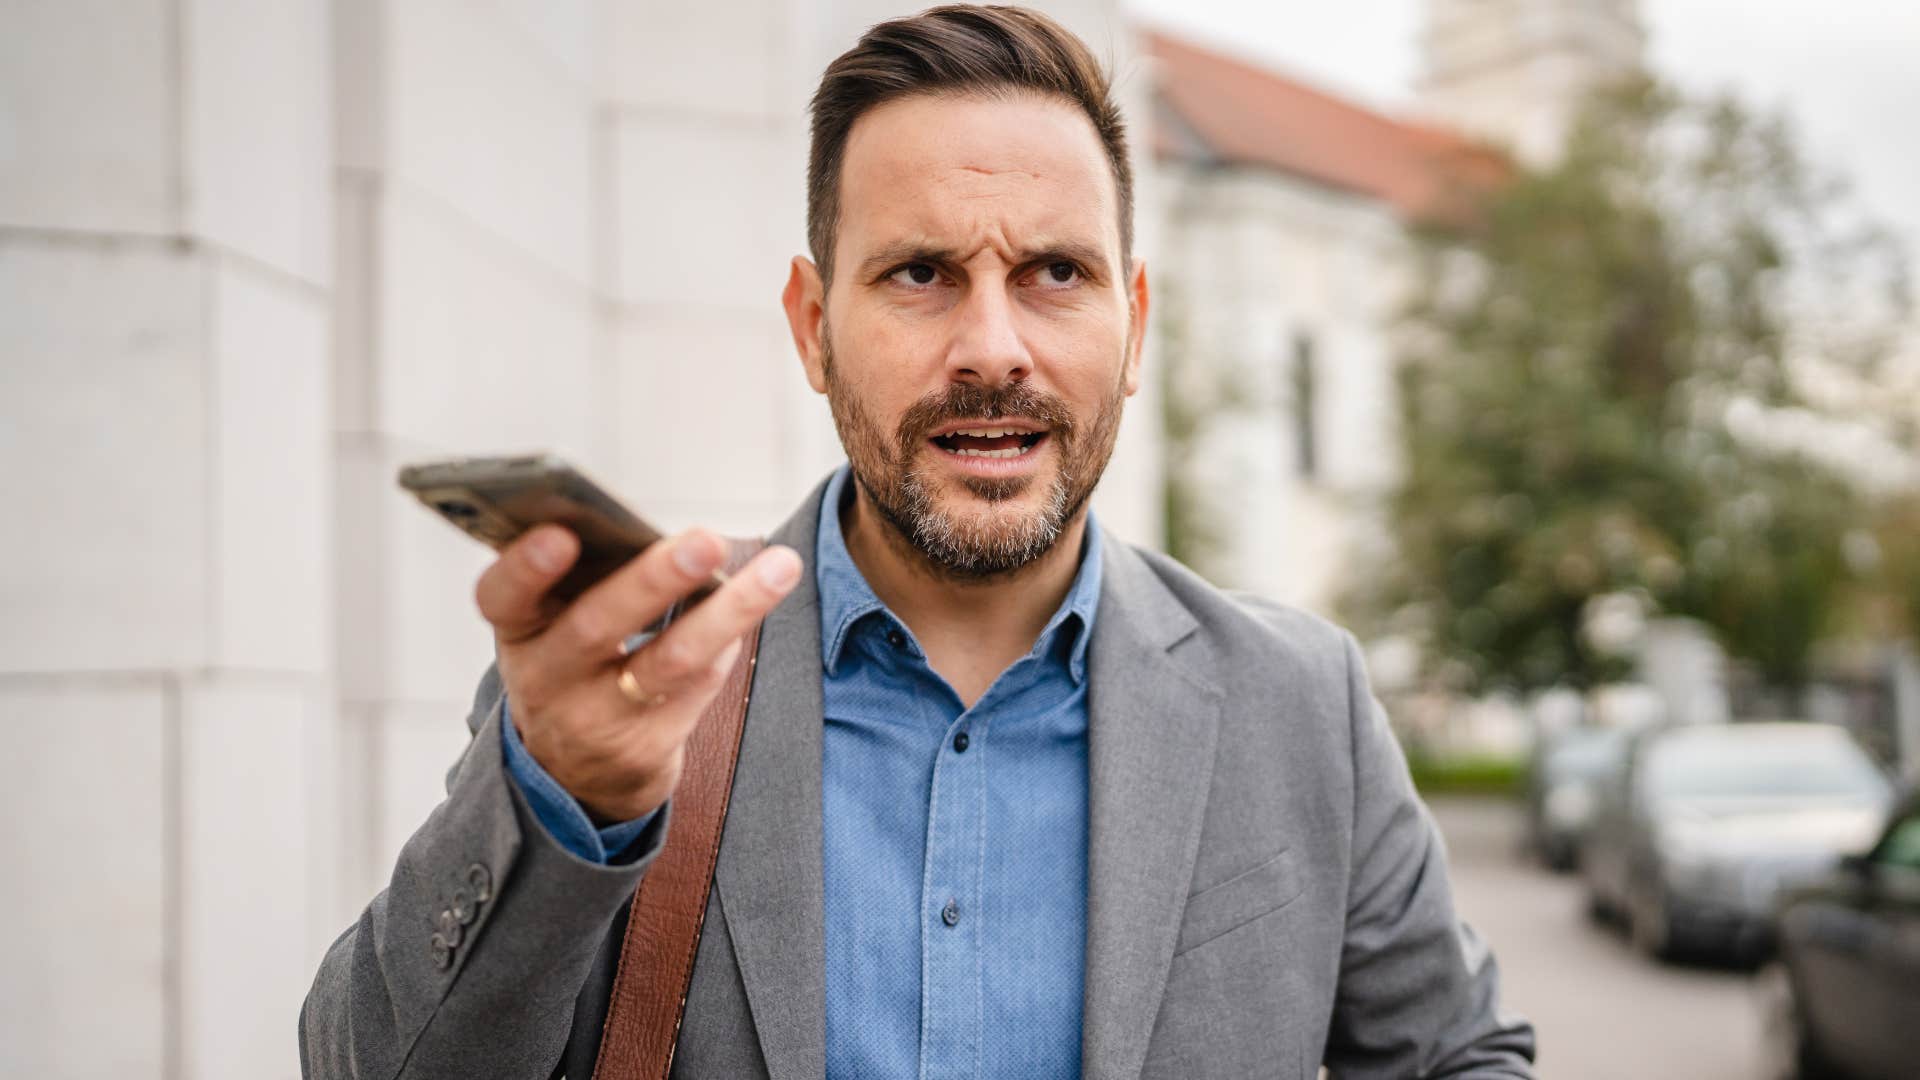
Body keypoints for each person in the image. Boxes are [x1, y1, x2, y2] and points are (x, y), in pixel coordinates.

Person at [299, 5, 1536, 1077]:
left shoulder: (1298, 703)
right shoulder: (634, 676)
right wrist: (560, 802)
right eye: (920, 274)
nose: (993, 347)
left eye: (1056, 271)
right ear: (813, 326)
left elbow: (1457, 1057)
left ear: (1136, 321)